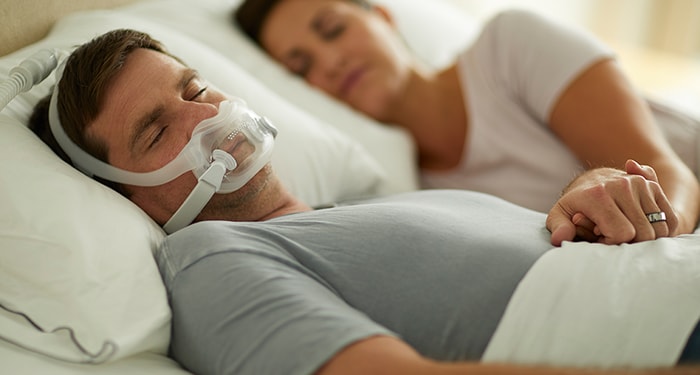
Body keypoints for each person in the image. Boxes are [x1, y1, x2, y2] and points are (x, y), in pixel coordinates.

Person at [28, 29, 699, 375]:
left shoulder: (353, 213)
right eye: (155, 130)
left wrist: (599, 196)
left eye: (193, 88)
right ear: (126, 196)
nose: (203, 116)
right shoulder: (207, 260)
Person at [233, 0, 700, 246]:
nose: (330, 62)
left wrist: (652, 223)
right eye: (300, 68)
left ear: (384, 18)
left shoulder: (509, 45)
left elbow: (669, 168)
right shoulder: (398, 192)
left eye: (333, 29)